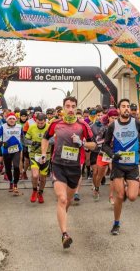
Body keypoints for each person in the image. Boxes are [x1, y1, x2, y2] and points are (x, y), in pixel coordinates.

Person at [40, 97, 96, 249]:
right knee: (62, 198)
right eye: (67, 106)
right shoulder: (55, 124)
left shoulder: (82, 125)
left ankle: (62, 214)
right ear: (63, 108)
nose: (70, 109)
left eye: (73, 106)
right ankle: (65, 234)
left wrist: (82, 143)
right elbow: (45, 138)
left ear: (76, 108)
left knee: (68, 201)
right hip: (58, 165)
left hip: (75, 167)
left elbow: (94, 145)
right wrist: (44, 153)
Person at [102, 98, 140, 236]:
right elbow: (105, 145)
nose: (127, 108)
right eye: (123, 106)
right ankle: (116, 223)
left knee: (133, 197)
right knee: (120, 195)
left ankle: (129, 188)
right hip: (118, 165)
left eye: (128, 106)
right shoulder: (113, 125)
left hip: (132, 164)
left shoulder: (136, 123)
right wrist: (112, 155)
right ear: (118, 110)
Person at [0, 112, 24, 194]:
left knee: (17, 166)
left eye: (13, 119)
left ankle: (15, 184)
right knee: (8, 168)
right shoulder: (3, 127)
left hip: (17, 149)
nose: (11, 120)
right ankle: (11, 181)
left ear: (16, 120)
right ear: (7, 120)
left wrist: (26, 144)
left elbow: (23, 138)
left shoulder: (19, 127)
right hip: (6, 150)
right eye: (10, 119)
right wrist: (1, 143)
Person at [25, 113, 51, 203]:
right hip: (34, 154)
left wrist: (44, 142)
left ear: (45, 121)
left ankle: (40, 192)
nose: (40, 125)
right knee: (35, 175)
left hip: (46, 155)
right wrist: (32, 142)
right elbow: (26, 140)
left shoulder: (49, 127)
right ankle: (34, 191)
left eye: (42, 123)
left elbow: (54, 140)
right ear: (36, 121)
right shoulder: (32, 127)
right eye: (38, 123)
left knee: (43, 177)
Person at [90, 108, 105, 201]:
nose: (100, 117)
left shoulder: (106, 126)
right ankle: (96, 189)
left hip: (103, 152)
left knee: (100, 173)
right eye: (98, 115)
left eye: (101, 115)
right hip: (94, 151)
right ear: (95, 116)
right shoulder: (91, 127)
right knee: (95, 172)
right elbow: (89, 138)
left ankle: (97, 186)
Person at [18, 109, 29, 180]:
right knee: (20, 159)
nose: (23, 117)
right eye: (22, 116)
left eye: (25, 116)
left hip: (27, 144)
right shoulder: (17, 123)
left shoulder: (29, 123)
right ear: (20, 116)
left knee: (27, 160)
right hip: (19, 143)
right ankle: (20, 173)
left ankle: (24, 171)